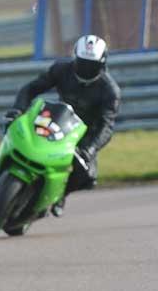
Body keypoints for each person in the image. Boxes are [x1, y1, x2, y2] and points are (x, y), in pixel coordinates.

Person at [6, 35, 121, 216]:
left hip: (85, 135)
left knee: (86, 175)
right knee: (19, 132)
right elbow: (31, 88)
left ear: (102, 63)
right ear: (74, 58)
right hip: (57, 120)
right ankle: (8, 172)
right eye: (82, 63)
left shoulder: (109, 90)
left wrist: (90, 148)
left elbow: (107, 125)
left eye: (91, 65)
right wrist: (17, 110)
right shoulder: (61, 70)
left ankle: (60, 193)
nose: (86, 69)